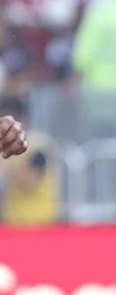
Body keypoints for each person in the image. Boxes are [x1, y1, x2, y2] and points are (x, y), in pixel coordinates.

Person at [0, 96, 59, 226]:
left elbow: (31, 181)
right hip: (12, 225)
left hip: (38, 224)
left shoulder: (38, 143)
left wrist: (9, 161)